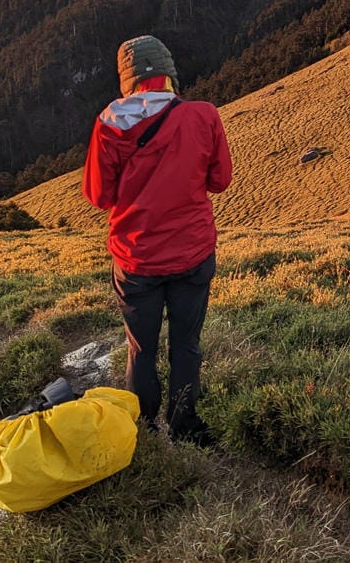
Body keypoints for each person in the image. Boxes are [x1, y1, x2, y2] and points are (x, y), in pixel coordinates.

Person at [82, 35, 232, 444]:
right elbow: (220, 181)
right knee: (186, 344)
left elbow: (98, 196)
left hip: (136, 258)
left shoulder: (109, 123)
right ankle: (186, 427)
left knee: (141, 348)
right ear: (170, 74)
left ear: (127, 81)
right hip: (192, 252)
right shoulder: (203, 115)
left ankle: (143, 428)